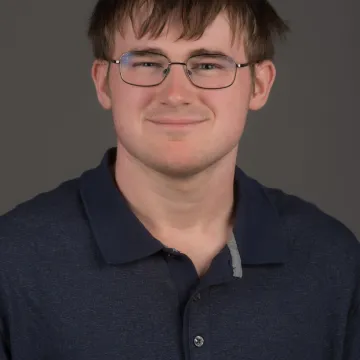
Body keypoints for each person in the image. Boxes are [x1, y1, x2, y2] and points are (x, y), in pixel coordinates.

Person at [1, 0, 359, 359]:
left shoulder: (333, 262)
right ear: (104, 83)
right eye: (146, 63)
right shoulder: (12, 262)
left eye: (207, 65)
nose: (175, 94)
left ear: (259, 85)